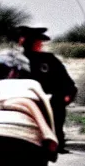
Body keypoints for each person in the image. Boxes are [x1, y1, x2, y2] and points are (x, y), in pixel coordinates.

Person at [17, 26, 77, 154]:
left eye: (40, 42)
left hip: (50, 99)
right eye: (37, 42)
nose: (39, 44)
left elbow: (65, 81)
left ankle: (56, 143)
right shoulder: (17, 60)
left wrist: (67, 94)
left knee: (55, 119)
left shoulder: (49, 59)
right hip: (26, 100)